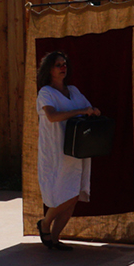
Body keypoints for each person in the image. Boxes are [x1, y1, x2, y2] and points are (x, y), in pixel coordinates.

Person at [33, 50, 101, 247]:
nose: (63, 67)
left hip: (78, 148)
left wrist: (94, 112)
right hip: (57, 151)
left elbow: (88, 109)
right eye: (58, 65)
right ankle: (44, 223)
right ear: (49, 70)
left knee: (74, 194)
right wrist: (80, 111)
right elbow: (52, 116)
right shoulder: (46, 92)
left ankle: (54, 239)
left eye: (64, 64)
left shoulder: (74, 90)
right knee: (64, 193)